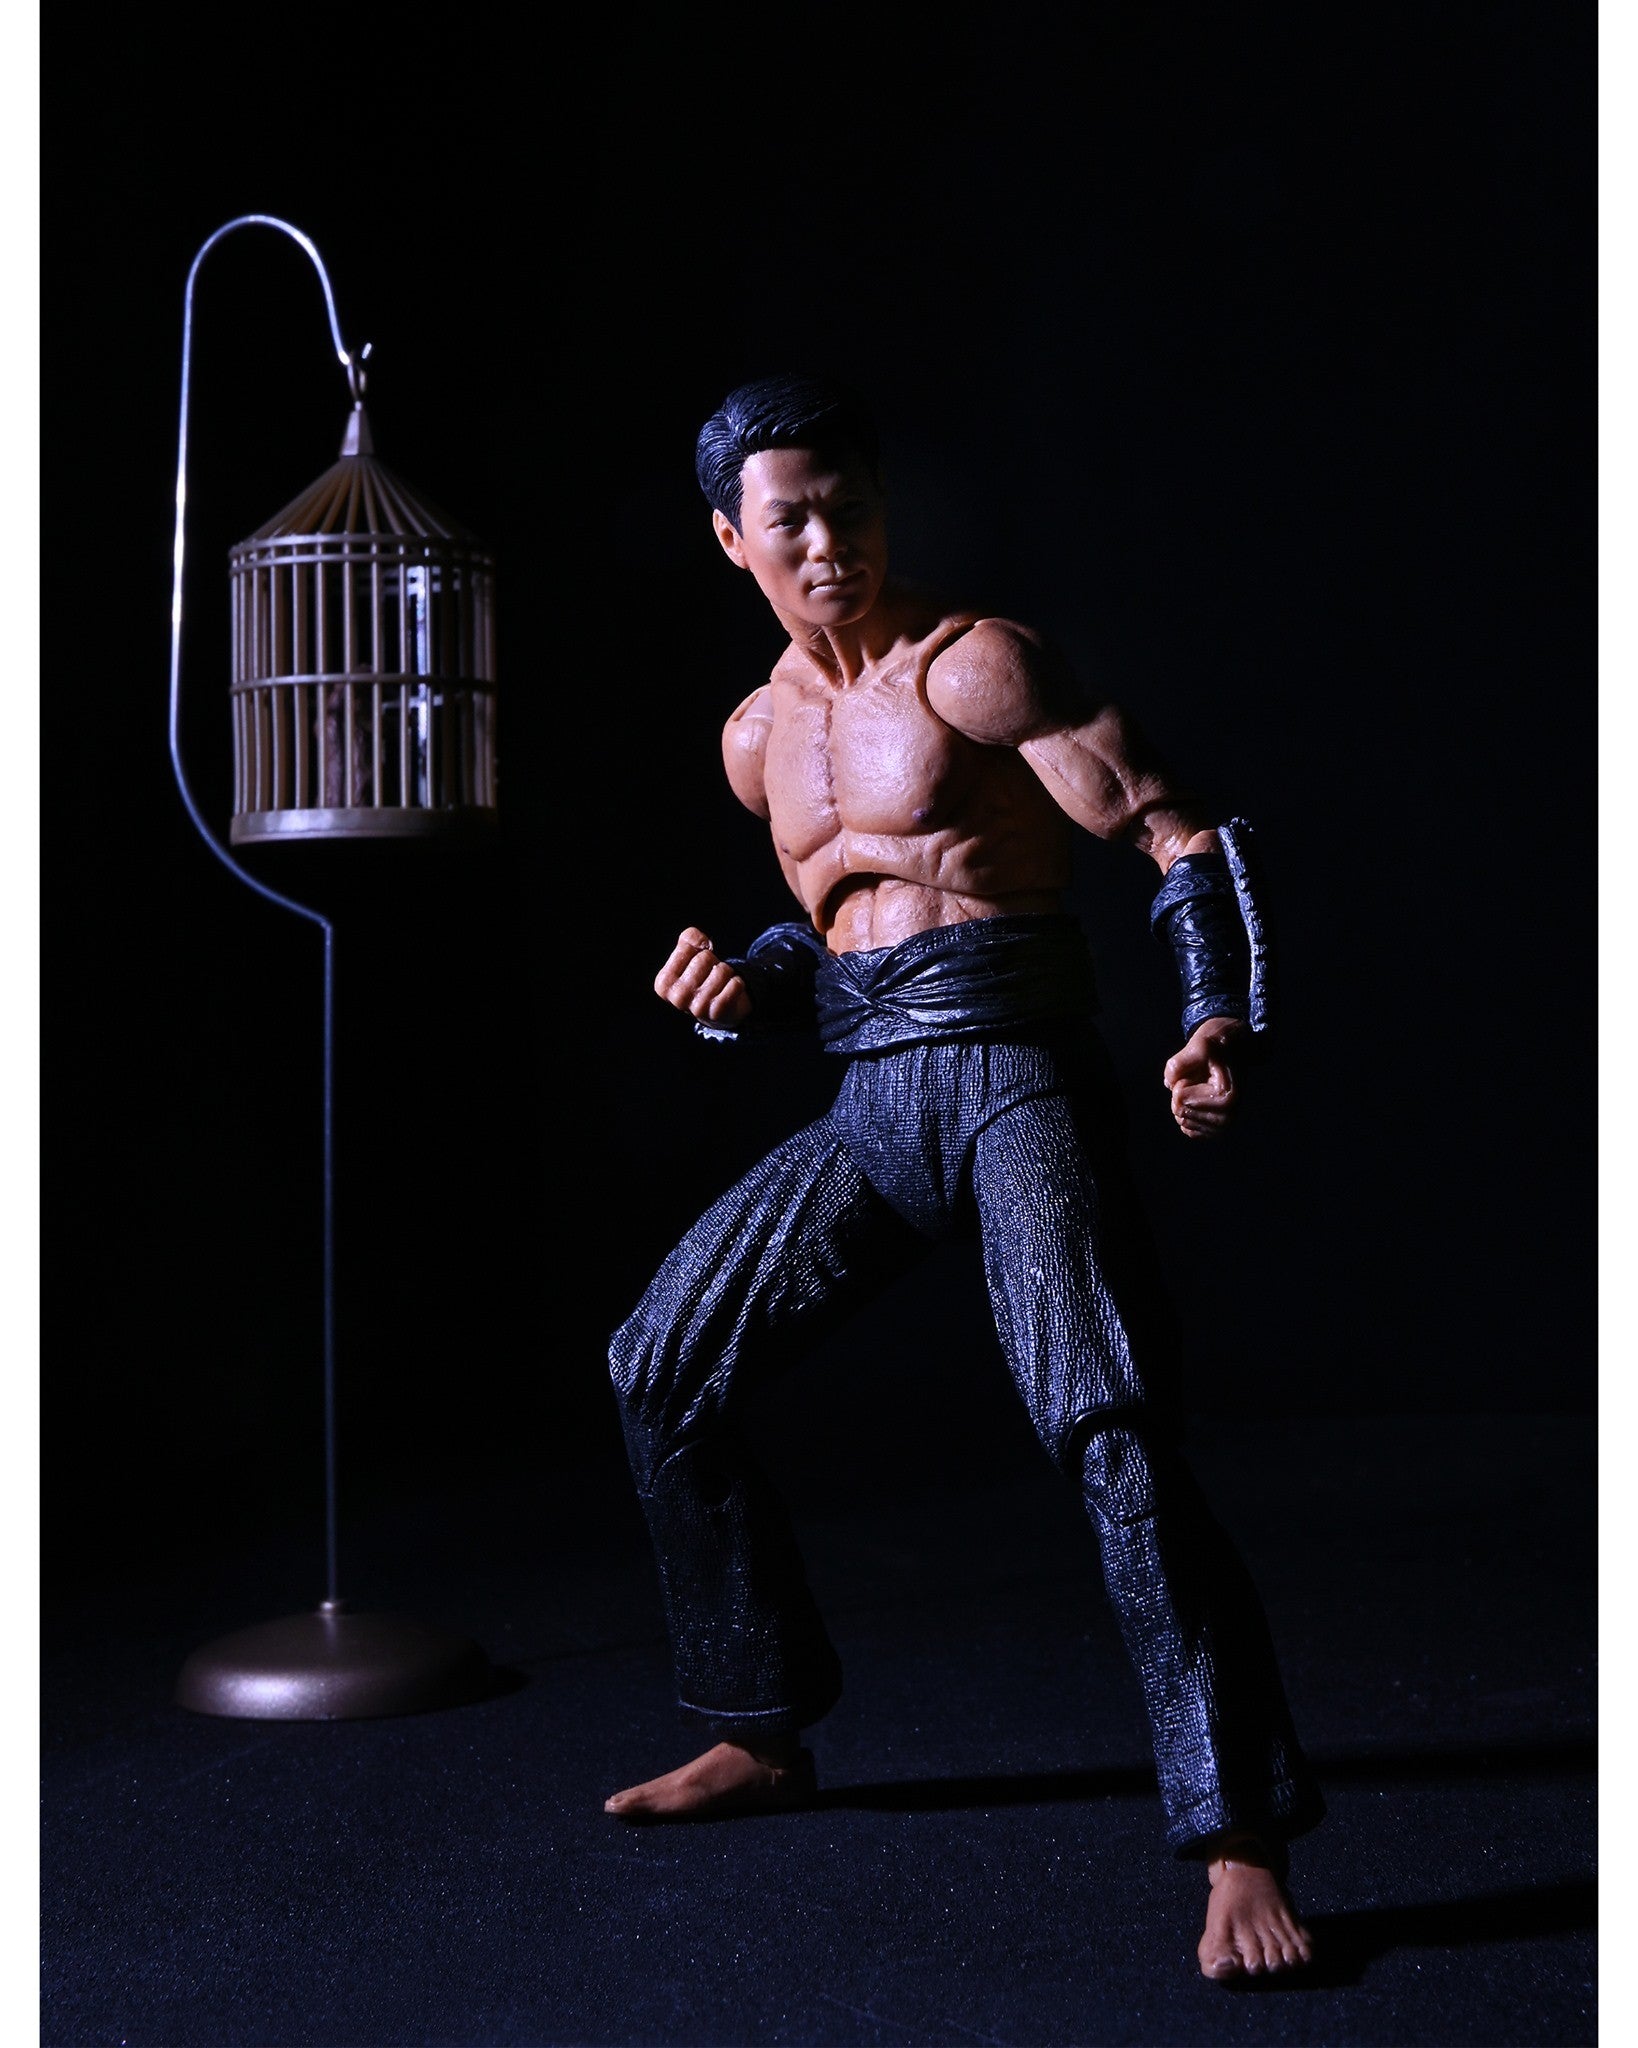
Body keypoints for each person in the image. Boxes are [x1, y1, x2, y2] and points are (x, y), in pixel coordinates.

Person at [603, 373, 1322, 1980]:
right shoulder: (755, 740)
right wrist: (746, 984)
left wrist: (1215, 1017)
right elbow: (844, 927)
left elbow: (1175, 832)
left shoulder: (974, 664)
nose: (827, 543)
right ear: (730, 540)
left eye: (847, 507)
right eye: (788, 521)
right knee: (661, 1364)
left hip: (1013, 1086)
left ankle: (1238, 1837)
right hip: (872, 1107)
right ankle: (760, 1731)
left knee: (1109, 1430)